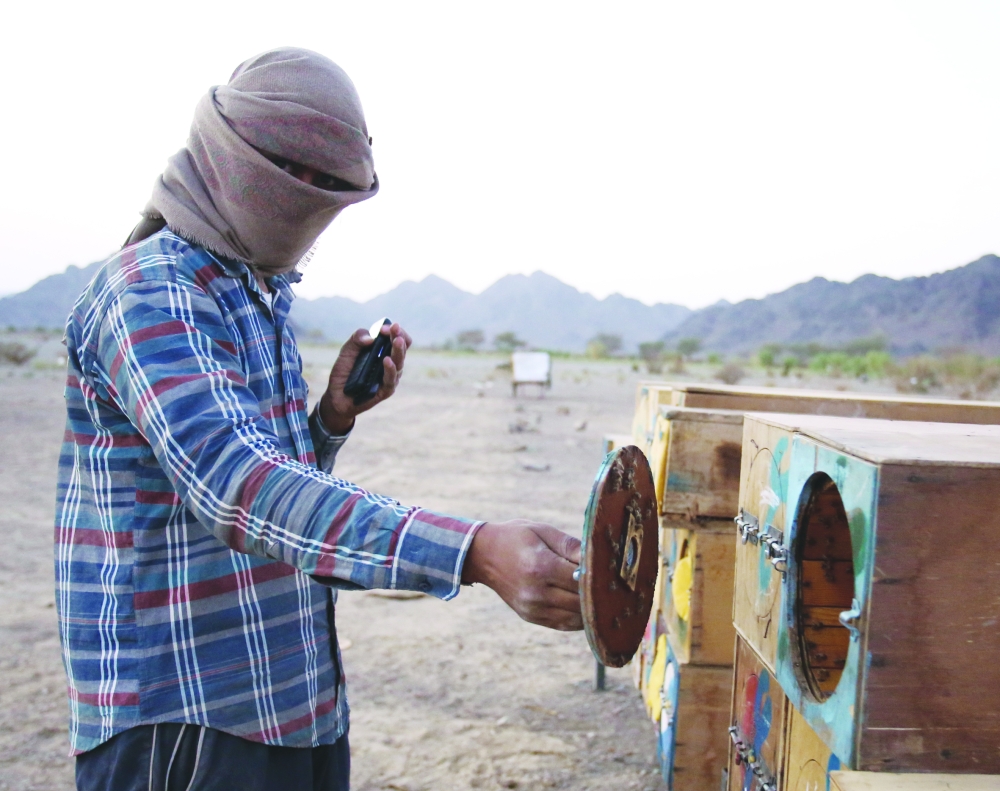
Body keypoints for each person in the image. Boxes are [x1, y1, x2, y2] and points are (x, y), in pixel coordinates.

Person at [57, 47, 582, 791]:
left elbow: (268, 479)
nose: (303, 198)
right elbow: (239, 489)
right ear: (224, 152)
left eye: (326, 184)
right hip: (186, 720)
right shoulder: (153, 292)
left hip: (289, 700)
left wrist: (331, 419)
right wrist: (472, 550)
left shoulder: (253, 288)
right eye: (284, 171)